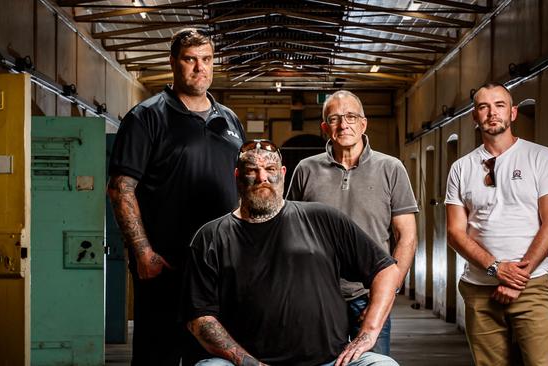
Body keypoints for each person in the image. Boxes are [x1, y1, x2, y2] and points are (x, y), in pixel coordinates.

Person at [182, 140, 401, 366]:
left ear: (283, 173)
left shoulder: (323, 218)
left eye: (270, 169)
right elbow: (200, 318)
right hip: (247, 363)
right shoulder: (210, 237)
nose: (262, 178)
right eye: (251, 171)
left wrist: (368, 334)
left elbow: (386, 269)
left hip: (330, 361)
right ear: (237, 175)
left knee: (383, 364)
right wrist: (247, 362)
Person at [107, 28, 245, 365]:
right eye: (190, 60)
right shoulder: (147, 117)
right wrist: (143, 253)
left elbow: (241, 189)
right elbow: (121, 188)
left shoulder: (229, 120)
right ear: (173, 63)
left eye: (207, 60)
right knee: (159, 355)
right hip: (166, 267)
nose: (200, 68)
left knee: (212, 357)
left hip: (218, 267)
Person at [445, 82, 548, 365]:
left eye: (499, 105)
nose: (492, 113)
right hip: (479, 288)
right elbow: (455, 232)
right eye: (483, 107)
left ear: (512, 113)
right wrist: (495, 268)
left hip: (532, 286)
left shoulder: (540, 157)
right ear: (474, 117)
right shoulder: (461, 168)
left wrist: (516, 278)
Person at [287, 90, 418, 355]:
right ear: (325, 128)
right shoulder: (305, 169)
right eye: (334, 119)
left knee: (372, 362)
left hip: (369, 295)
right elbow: (289, 233)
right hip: (317, 297)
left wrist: (386, 293)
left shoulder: (391, 168)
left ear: (363, 123)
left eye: (350, 116)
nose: (343, 124)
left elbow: (407, 237)